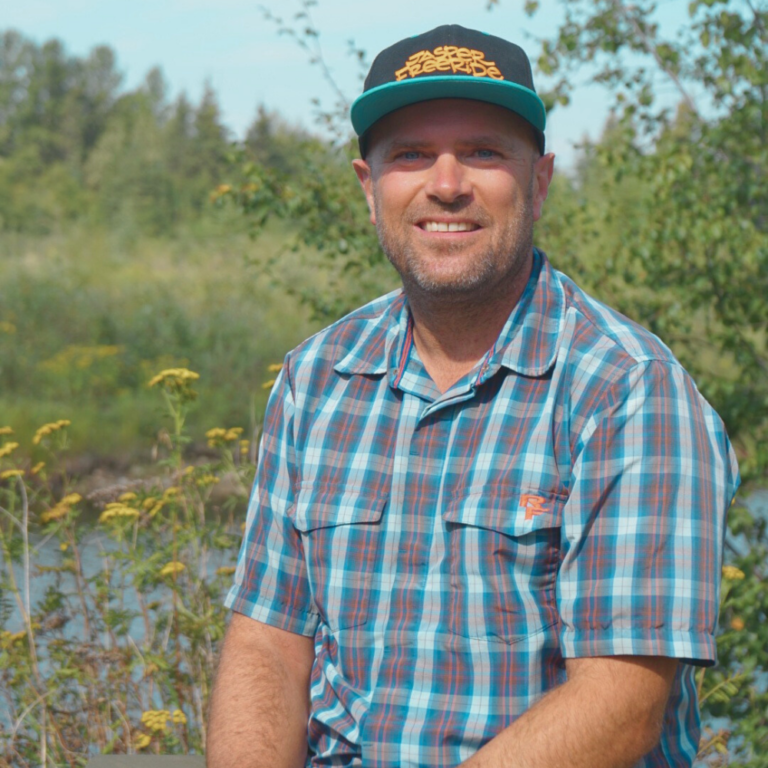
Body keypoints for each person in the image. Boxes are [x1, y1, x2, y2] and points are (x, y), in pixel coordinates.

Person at [207, 25, 739, 768]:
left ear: (541, 180)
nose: (447, 183)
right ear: (370, 187)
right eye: (411, 155)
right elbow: (268, 640)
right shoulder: (316, 376)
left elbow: (620, 704)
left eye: (484, 152)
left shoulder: (630, 392)